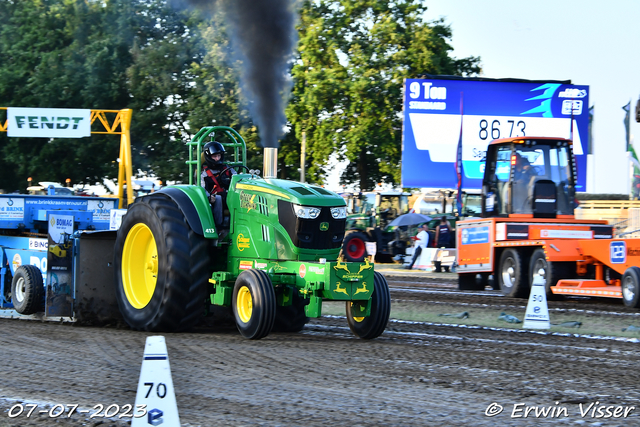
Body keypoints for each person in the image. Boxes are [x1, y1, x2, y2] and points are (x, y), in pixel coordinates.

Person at [201, 141, 236, 233]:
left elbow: (237, 179)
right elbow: (201, 188)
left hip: (228, 195)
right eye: (214, 156)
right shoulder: (204, 173)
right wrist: (208, 197)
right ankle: (218, 228)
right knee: (218, 198)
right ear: (209, 157)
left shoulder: (227, 168)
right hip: (212, 199)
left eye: (219, 156)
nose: (217, 158)